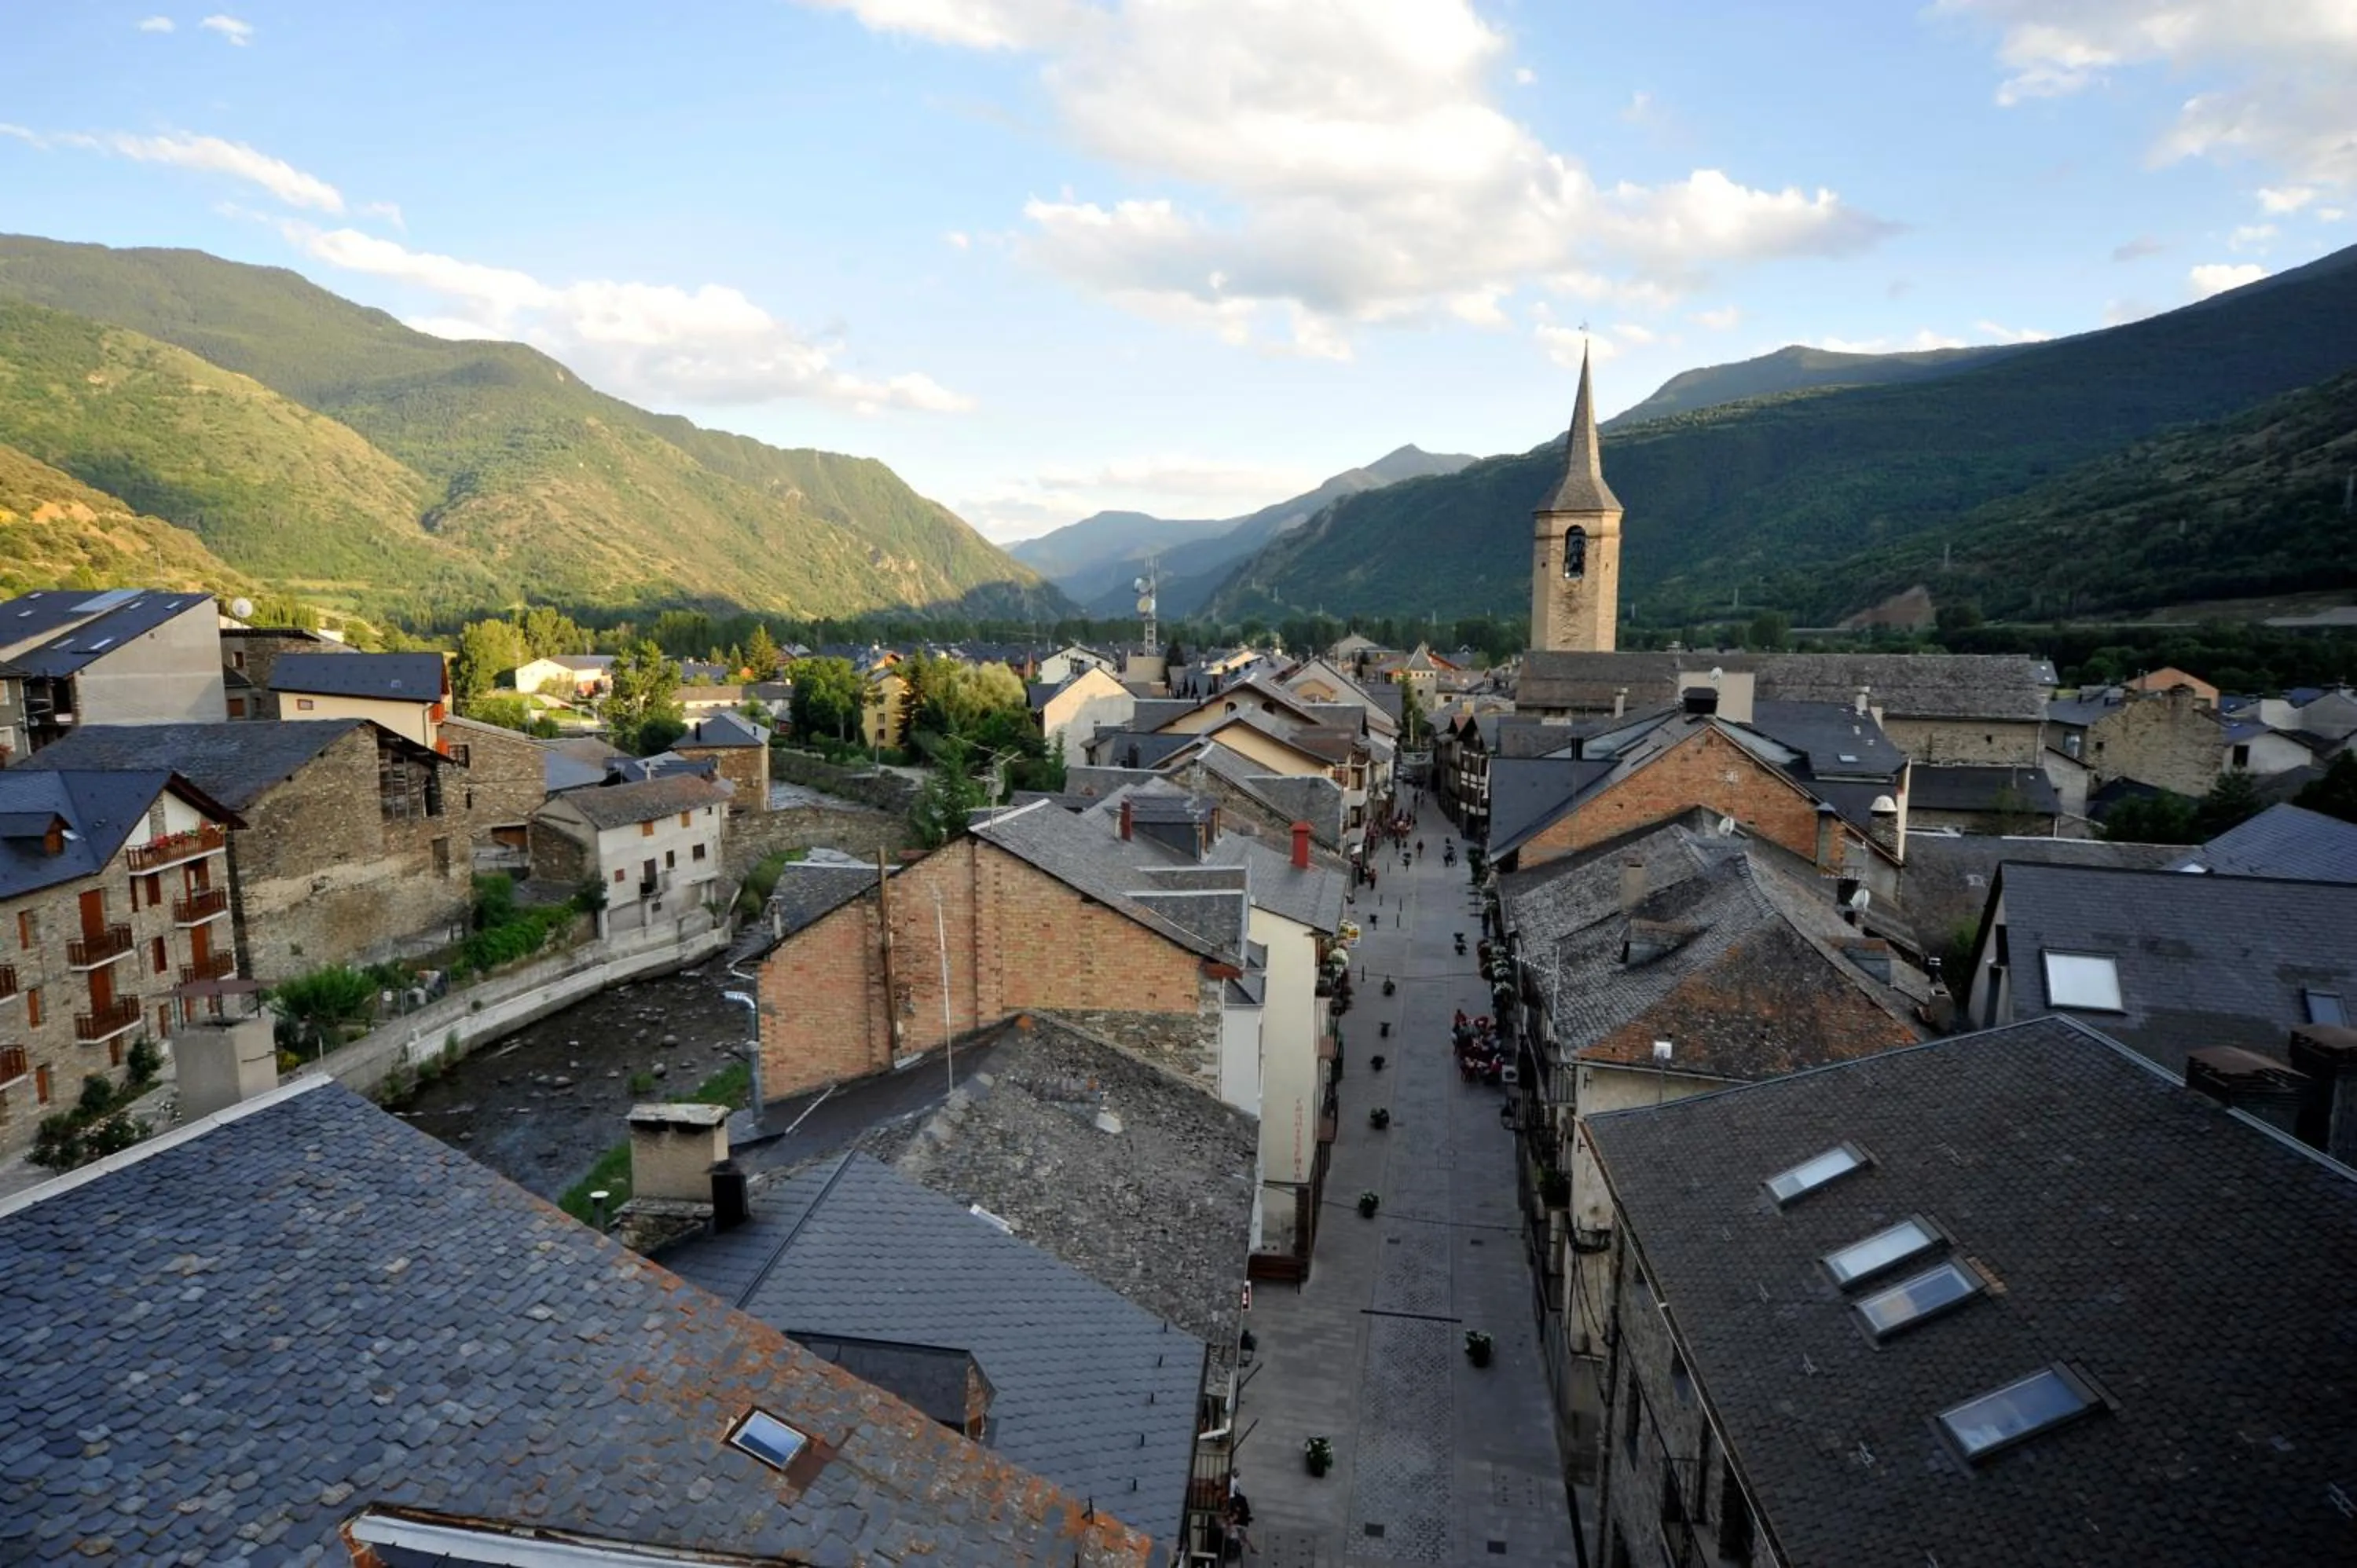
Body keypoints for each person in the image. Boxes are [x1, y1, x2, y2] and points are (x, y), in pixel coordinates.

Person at [1226, 1488, 1255, 1555]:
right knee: (1243, 1536)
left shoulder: (1233, 1501)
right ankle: (1250, 1548)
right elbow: (1246, 1511)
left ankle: (1249, 1547)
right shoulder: (1242, 1499)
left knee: (1240, 1536)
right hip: (1242, 1523)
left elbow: (1237, 1514)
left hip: (1238, 1523)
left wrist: (1231, 1520)